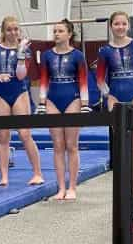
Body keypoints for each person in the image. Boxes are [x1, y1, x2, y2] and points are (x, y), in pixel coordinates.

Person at [0, 16, 43, 186]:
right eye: (9, 29)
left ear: (20, 31)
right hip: (0, 95)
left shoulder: (25, 50)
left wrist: (21, 52)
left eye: (16, 29)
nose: (13, 32)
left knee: (25, 134)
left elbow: (21, 75)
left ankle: (37, 173)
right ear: (3, 31)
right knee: (3, 136)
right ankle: (4, 177)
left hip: (20, 93)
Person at [97, 11, 133, 193]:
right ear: (111, 26)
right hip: (115, 98)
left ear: (128, 25)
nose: (120, 27)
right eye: (116, 24)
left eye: (123, 24)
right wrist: (108, 94)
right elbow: (100, 78)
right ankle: (123, 188)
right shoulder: (104, 51)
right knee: (122, 146)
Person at [37, 19, 90, 200]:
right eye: (55, 31)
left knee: (71, 145)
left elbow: (83, 81)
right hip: (53, 99)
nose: (57, 34)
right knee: (58, 146)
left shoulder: (78, 56)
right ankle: (60, 188)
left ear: (69, 34)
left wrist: (84, 104)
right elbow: (44, 80)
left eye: (60, 31)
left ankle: (72, 187)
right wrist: (42, 103)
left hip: (72, 99)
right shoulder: (46, 56)